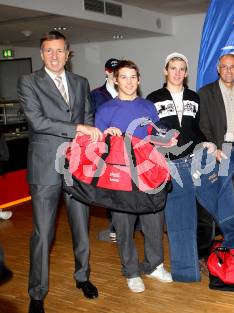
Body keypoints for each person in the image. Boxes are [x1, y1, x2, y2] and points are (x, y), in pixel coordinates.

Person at [17, 31, 101, 313]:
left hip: (76, 168)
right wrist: (78, 129)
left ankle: (83, 276)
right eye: (48, 51)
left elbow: (88, 116)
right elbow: (38, 121)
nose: (54, 56)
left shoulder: (81, 82)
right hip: (44, 168)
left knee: (82, 228)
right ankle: (37, 293)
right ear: (41, 54)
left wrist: (87, 145)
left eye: (59, 50)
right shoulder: (28, 82)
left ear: (68, 53)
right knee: (43, 233)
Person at [147, 52, 234, 281]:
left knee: (221, 201)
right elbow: (150, 132)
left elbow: (197, 129)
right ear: (165, 71)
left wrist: (210, 145)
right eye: (173, 68)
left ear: (187, 72)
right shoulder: (153, 98)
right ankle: (185, 272)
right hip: (171, 165)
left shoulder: (193, 97)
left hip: (196, 160)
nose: (178, 73)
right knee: (179, 220)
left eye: (182, 69)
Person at [95, 60, 173, 293]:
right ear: (116, 80)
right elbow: (96, 143)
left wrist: (167, 138)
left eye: (133, 77)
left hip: (147, 173)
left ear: (139, 80)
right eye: (124, 77)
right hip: (119, 175)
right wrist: (106, 135)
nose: (129, 82)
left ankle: (154, 265)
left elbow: (156, 135)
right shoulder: (105, 110)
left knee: (154, 221)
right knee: (123, 225)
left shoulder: (148, 106)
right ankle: (130, 271)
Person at [199, 53, 234, 208]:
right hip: (220, 150)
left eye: (232, 67)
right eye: (224, 67)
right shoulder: (206, 92)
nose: (228, 71)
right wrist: (214, 148)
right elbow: (203, 124)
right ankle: (217, 227)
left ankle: (231, 228)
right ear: (218, 69)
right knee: (220, 191)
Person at [90, 57, 119, 241]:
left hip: (125, 146)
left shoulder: (128, 91)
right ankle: (114, 227)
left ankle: (122, 225)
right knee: (110, 187)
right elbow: (91, 120)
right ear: (106, 72)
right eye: (112, 71)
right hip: (105, 148)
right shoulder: (95, 95)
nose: (115, 75)